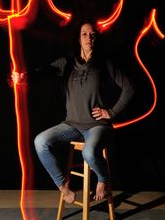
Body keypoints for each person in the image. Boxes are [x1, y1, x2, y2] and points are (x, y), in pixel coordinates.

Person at [33, 21, 134, 203]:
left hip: (97, 125)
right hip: (71, 124)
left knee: (88, 154)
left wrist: (111, 112)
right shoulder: (68, 63)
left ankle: (103, 179)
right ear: (79, 39)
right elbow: (43, 72)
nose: (89, 38)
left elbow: (129, 88)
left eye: (92, 34)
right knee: (40, 142)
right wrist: (24, 76)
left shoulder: (104, 63)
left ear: (96, 38)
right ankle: (63, 188)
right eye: (84, 34)